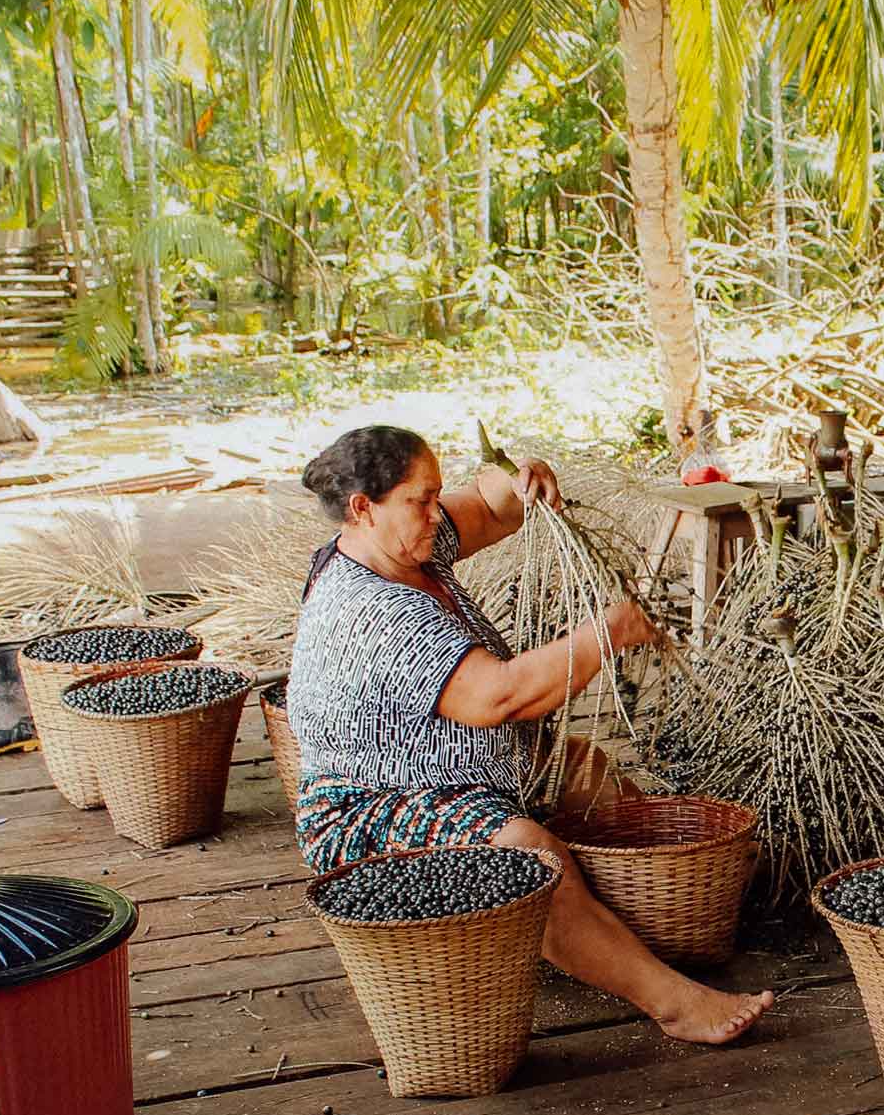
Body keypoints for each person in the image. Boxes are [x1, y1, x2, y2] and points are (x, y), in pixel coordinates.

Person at [288, 425, 773, 1045]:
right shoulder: (371, 608)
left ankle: (648, 923)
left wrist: (521, 480)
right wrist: (609, 633)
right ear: (363, 508)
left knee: (587, 773)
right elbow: (501, 695)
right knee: (525, 849)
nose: (436, 512)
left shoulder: (408, 544)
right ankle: (671, 1001)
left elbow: (491, 505)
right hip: (370, 810)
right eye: (420, 499)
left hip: (463, 770)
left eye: (437, 494)